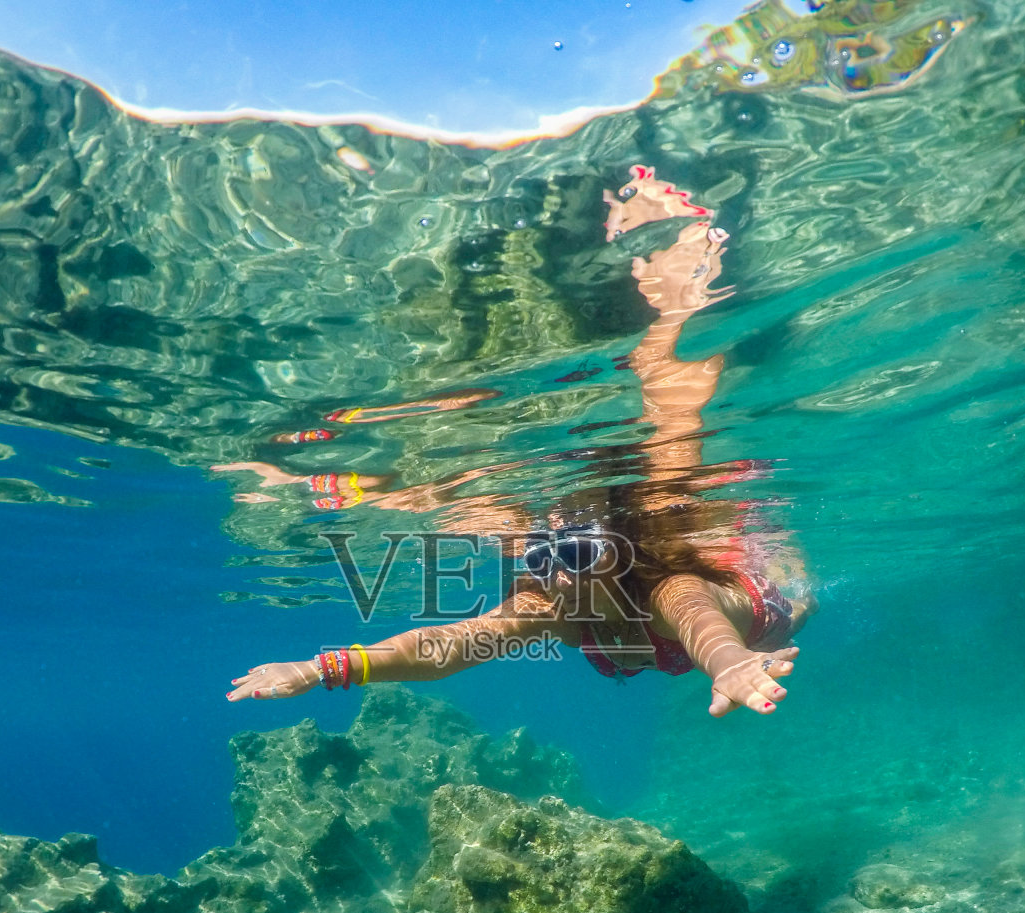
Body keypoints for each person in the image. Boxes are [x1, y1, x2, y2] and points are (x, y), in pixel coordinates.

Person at [226, 168, 813, 718]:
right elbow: (445, 647)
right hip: (710, 631)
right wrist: (319, 668)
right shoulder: (553, 610)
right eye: (541, 554)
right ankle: (667, 287)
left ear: (623, 548)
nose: (557, 573)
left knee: (673, 395)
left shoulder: (671, 589)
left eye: (577, 552)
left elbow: (701, 627)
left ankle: (683, 285)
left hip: (772, 605)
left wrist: (733, 663)